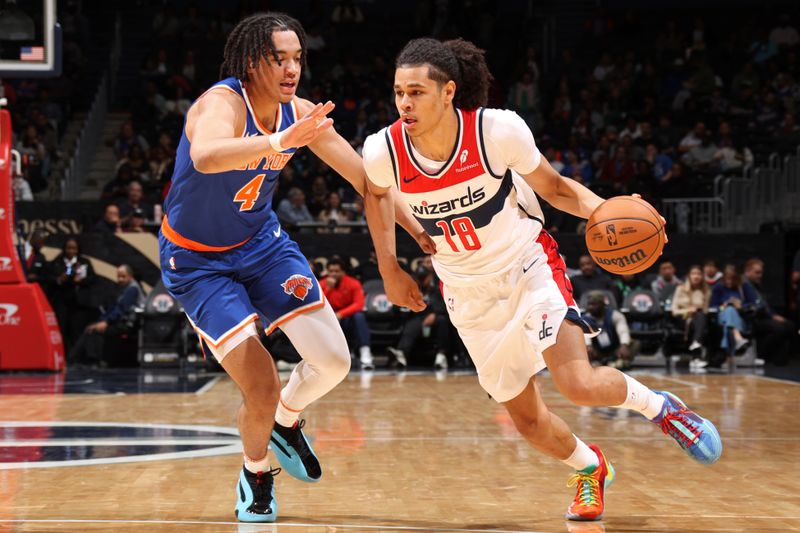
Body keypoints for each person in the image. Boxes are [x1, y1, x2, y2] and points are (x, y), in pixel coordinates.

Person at [362, 37, 721, 522]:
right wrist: (390, 266)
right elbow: (379, 197)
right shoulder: (382, 149)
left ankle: (662, 409)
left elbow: (554, 188)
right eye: (399, 92)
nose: (405, 103)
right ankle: (590, 468)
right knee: (529, 423)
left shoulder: (497, 131)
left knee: (578, 382)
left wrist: (609, 210)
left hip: (528, 266)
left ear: (448, 92)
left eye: (417, 92)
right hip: (466, 291)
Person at [156, 12, 432, 523]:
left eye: (297, 59)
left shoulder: (299, 113)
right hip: (197, 262)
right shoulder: (221, 103)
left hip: (261, 245)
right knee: (260, 384)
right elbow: (209, 155)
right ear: (249, 62)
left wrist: (416, 238)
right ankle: (256, 472)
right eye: (277, 59)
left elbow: (368, 182)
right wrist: (282, 142)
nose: (291, 69)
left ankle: (286, 423)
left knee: (334, 361)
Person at [68, 264, 145, 366]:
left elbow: (121, 309)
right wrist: (102, 320)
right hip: (121, 321)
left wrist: (106, 322)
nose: (120, 279)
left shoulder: (132, 289)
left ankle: (90, 361)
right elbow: (114, 308)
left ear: (130, 276)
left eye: (123, 276)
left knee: (94, 330)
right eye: (118, 276)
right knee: (91, 327)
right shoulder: (124, 288)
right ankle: (76, 360)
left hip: (129, 324)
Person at [387, 256, 451, 370]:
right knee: (413, 323)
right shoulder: (415, 288)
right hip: (419, 317)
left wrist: (435, 314)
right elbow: (403, 308)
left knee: (442, 321)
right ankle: (401, 353)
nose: (421, 281)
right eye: (419, 278)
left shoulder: (439, 285)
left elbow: (447, 304)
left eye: (423, 278)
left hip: (438, 316)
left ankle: (441, 355)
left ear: (430, 276)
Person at [320, 257, 374, 369]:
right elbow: (319, 305)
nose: (333, 274)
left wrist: (341, 314)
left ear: (343, 272)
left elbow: (359, 304)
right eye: (331, 271)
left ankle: (365, 352)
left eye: (337, 271)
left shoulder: (353, 283)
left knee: (359, 316)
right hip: (330, 320)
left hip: (348, 319)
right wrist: (328, 289)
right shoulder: (322, 284)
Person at [743, 258, 796, 366]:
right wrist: (772, 316)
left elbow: (764, 304)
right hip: (753, 318)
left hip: (764, 315)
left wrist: (773, 315)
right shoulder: (744, 284)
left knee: (790, 325)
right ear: (748, 271)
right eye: (757, 272)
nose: (760, 275)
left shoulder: (757, 285)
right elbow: (756, 305)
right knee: (779, 328)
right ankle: (762, 355)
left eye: (761, 272)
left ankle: (780, 358)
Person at [48, 238, 98, 352]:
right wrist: (62, 278)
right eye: (69, 248)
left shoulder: (83, 262)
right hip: (62, 301)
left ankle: (77, 357)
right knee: (62, 328)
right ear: (64, 249)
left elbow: (93, 278)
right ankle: (62, 354)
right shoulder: (57, 262)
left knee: (77, 330)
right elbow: (52, 278)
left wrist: (80, 281)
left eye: (74, 248)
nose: (71, 251)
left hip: (78, 302)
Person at [709, 264, 758, 357]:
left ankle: (725, 354)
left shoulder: (744, 286)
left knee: (728, 324)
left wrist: (740, 306)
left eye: (733, 279)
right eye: (727, 279)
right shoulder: (718, 287)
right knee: (729, 310)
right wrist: (723, 306)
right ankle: (738, 338)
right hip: (721, 318)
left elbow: (753, 304)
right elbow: (712, 307)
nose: (730, 282)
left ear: (737, 278)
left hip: (740, 319)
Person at [582, 291, 637, 369]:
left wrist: (624, 345)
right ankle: (595, 363)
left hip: (615, 349)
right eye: (589, 304)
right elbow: (586, 336)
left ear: (602, 304)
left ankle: (619, 362)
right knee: (582, 347)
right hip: (597, 351)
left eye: (594, 304)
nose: (590, 307)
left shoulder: (616, 315)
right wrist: (589, 346)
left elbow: (623, 332)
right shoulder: (585, 319)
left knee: (635, 343)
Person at [672, 265, 711, 359]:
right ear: (689, 276)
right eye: (693, 274)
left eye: (699, 274)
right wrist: (688, 310)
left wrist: (697, 311)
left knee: (701, 316)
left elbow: (706, 309)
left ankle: (696, 344)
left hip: (698, 319)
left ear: (702, 276)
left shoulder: (706, 290)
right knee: (700, 320)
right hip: (683, 317)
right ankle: (696, 346)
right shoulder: (680, 289)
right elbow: (674, 311)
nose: (696, 276)